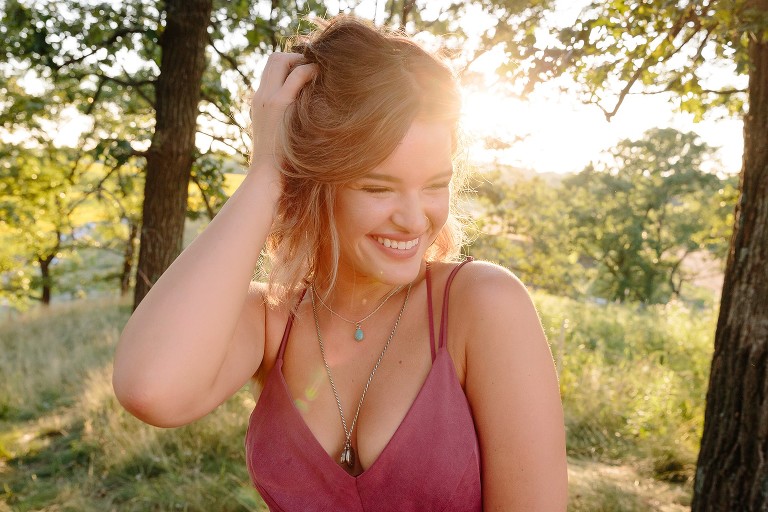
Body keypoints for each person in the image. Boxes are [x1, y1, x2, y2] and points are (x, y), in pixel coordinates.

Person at [113, 15, 567, 511]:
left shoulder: (480, 305)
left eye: (436, 184)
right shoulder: (271, 321)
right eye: (378, 187)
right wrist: (267, 168)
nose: (415, 219)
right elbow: (150, 389)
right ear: (311, 183)